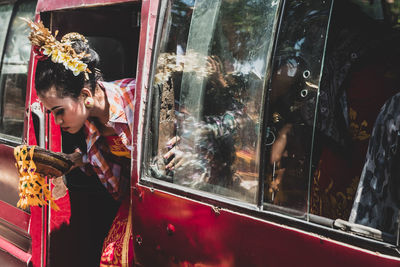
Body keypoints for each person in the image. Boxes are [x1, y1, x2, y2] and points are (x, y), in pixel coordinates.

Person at [24, 19, 135, 266]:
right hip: (133, 200)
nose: (57, 121)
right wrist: (74, 161)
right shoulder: (88, 122)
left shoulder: (138, 98)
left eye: (59, 111)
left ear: (85, 95)